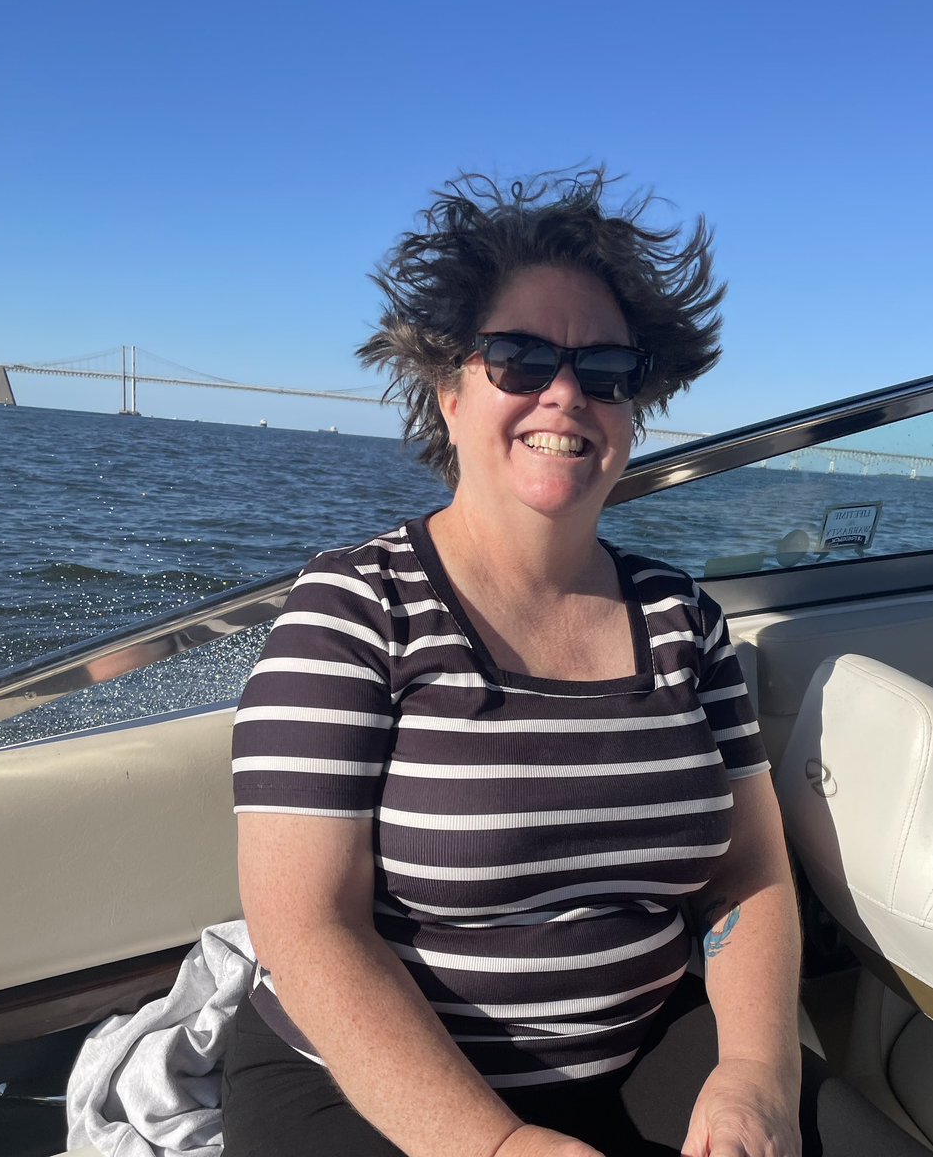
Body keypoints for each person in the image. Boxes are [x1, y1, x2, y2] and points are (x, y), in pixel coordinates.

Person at [222, 171, 921, 1157]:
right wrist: (495, 1146)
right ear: (449, 392)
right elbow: (308, 927)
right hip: (365, 1085)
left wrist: (754, 1076)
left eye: (605, 369)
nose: (563, 393)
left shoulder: (681, 619)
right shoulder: (353, 609)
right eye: (518, 358)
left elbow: (748, 873)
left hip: (640, 1048)